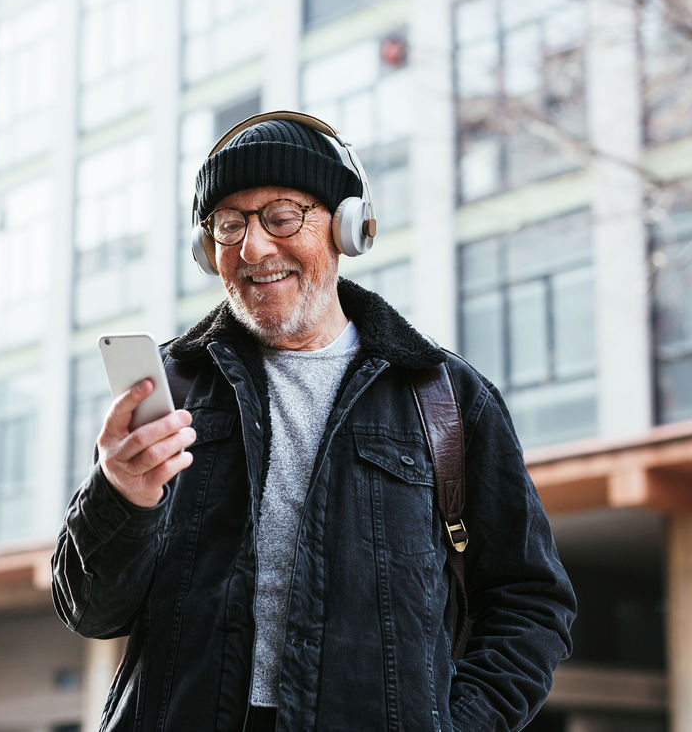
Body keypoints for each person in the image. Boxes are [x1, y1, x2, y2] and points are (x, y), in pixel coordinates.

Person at [52, 112, 576, 732]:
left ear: (346, 228)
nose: (253, 248)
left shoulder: (445, 398)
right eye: (229, 225)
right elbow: (90, 611)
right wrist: (120, 497)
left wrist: (455, 724)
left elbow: (530, 605)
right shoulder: (170, 387)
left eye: (281, 216)